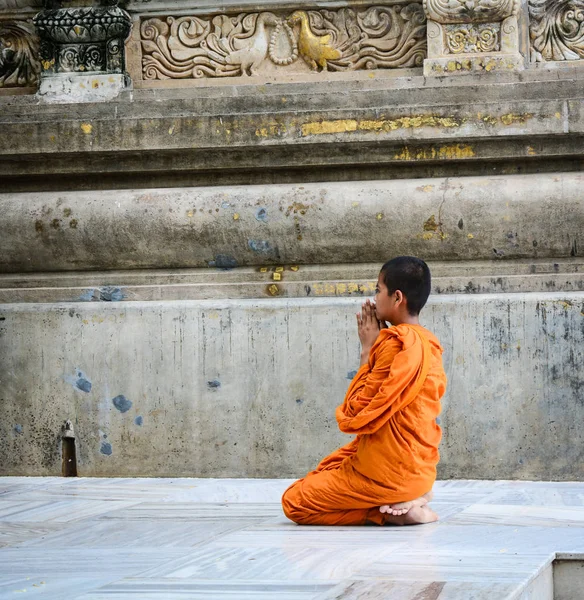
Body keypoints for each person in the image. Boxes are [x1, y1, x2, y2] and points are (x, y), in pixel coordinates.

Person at [282, 256, 447, 525]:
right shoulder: (430, 343)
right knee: (333, 467)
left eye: (377, 290)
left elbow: (356, 413)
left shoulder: (394, 345)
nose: (373, 298)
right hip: (421, 471)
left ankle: (391, 511)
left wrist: (368, 350)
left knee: (295, 501)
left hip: (388, 475)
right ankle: (409, 499)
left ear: (397, 298)